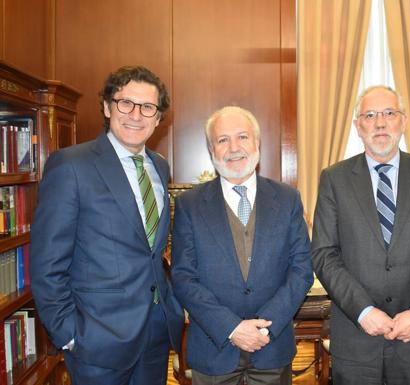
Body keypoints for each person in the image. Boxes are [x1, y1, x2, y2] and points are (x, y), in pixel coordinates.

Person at [30, 65, 184, 385]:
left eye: (147, 107)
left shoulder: (159, 166)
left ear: (158, 118)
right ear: (106, 107)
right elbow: (47, 263)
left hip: (155, 331)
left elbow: (151, 251)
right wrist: (69, 334)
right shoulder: (71, 165)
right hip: (96, 341)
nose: (135, 115)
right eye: (125, 103)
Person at [312, 85, 410, 385]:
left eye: (389, 113)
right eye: (370, 115)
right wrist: (363, 310)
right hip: (356, 340)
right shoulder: (334, 179)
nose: (380, 122)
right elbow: (325, 254)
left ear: (403, 122)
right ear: (357, 126)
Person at [171, 106, 313, 385]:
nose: (234, 148)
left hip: (272, 348)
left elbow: (301, 271)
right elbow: (183, 277)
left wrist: (264, 328)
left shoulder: (288, 199)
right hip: (214, 350)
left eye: (242, 137)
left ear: (257, 143)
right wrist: (232, 328)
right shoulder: (189, 204)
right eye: (222, 140)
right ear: (212, 150)